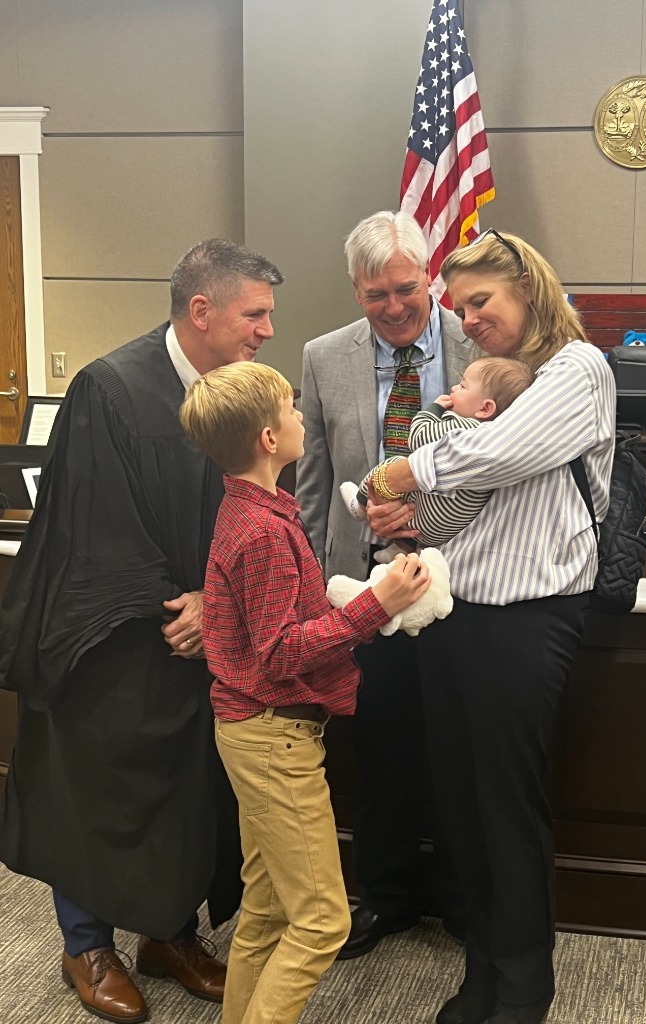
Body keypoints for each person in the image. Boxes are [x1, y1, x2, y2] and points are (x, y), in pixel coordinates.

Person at [0, 239, 284, 1024]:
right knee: (96, 788)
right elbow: (97, 533)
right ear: (203, 310)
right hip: (110, 639)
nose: (266, 330)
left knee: (187, 790)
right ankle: (86, 944)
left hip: (199, 639)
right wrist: (177, 602)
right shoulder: (112, 389)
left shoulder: (234, 392)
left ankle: (168, 933)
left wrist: (215, 600)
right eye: (254, 314)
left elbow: (249, 507)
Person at [365, 229, 616, 1024]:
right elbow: (467, 507)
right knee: (462, 810)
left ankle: (523, 989)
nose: (466, 319)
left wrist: (412, 468)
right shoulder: (492, 380)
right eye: (459, 307)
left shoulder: (578, 369)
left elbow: (503, 451)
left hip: (527, 623)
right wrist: (403, 516)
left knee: (505, 810)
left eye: (482, 302)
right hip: (454, 615)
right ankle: (482, 978)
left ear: (528, 293)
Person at [179, 361, 431, 1024]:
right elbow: (282, 651)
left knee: (264, 910)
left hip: (260, 731)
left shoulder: (255, 513)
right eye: (291, 411)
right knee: (321, 922)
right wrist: (374, 607)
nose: (300, 419)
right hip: (271, 738)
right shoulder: (262, 531)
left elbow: (285, 625)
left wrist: (363, 611)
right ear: (268, 438)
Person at [295, 209, 471, 958]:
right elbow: (309, 487)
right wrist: (304, 582)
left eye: (405, 289)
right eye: (375, 295)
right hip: (365, 595)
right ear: (355, 290)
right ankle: (388, 897)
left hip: (467, 583)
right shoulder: (322, 356)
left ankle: (466, 901)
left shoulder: (482, 346)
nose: (394, 307)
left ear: (430, 277)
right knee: (383, 754)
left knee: (464, 751)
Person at [341, 356, 535, 559]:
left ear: (485, 409)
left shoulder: (462, 427)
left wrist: (434, 409)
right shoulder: (496, 436)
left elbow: (417, 438)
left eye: (462, 386)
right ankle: (402, 548)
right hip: (449, 528)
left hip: (424, 518)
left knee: (395, 465)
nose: (453, 389)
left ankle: (360, 504)